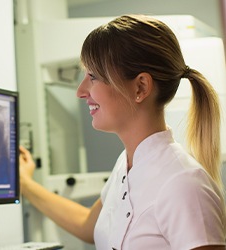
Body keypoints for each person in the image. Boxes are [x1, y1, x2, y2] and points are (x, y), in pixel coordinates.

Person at [19, 14, 226, 250]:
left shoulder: (183, 184)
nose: (80, 91)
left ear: (140, 87)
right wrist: (25, 183)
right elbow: (88, 224)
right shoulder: (127, 166)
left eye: (93, 77)